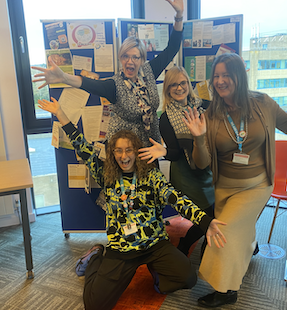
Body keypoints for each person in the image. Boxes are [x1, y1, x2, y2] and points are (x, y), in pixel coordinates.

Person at [37, 96, 227, 310]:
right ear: (112, 153)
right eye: (118, 150)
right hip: (122, 249)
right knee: (94, 305)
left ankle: (157, 274)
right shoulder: (106, 175)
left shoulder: (150, 176)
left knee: (187, 278)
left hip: (154, 244)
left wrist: (205, 221)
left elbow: (176, 198)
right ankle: (96, 257)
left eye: (129, 150)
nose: (124, 155)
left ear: (136, 152)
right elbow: (81, 146)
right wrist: (61, 114)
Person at [183, 53, 287, 308]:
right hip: (225, 188)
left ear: (239, 76)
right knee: (238, 232)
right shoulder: (211, 114)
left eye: (227, 74)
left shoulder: (263, 103)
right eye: (217, 76)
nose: (221, 81)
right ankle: (245, 253)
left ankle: (227, 290)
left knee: (223, 233)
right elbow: (201, 163)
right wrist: (199, 138)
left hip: (257, 184)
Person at [32, 0, 184, 148]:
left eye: (135, 57)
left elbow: (172, 48)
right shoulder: (115, 84)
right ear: (120, 58)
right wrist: (64, 77)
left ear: (142, 59)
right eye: (125, 56)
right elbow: (88, 83)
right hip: (124, 149)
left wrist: (179, 14)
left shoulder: (149, 71)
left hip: (150, 143)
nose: (130, 61)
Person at [138, 66, 215, 257]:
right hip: (186, 175)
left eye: (182, 83)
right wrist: (164, 151)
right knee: (208, 217)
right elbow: (175, 154)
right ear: (167, 89)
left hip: (209, 170)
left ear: (188, 84)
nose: (179, 88)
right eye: (173, 85)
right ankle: (193, 247)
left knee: (212, 215)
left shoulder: (205, 106)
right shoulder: (165, 118)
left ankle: (187, 243)